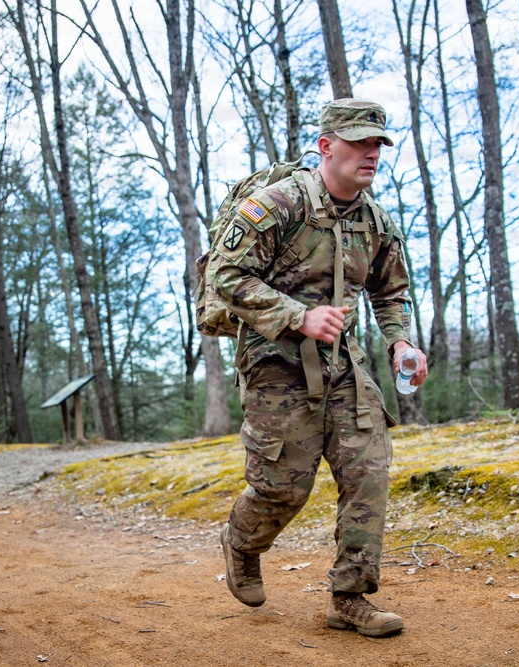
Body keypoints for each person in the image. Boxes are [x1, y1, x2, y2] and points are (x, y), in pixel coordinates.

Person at [207, 98, 427, 638]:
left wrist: (400, 344)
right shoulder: (278, 204)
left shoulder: (375, 218)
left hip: (342, 364)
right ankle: (242, 543)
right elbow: (227, 276)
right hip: (273, 363)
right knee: (283, 486)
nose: (371, 154)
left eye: (378, 144)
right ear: (327, 146)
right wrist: (297, 316)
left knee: (368, 471)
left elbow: (390, 291)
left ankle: (349, 598)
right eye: (359, 142)